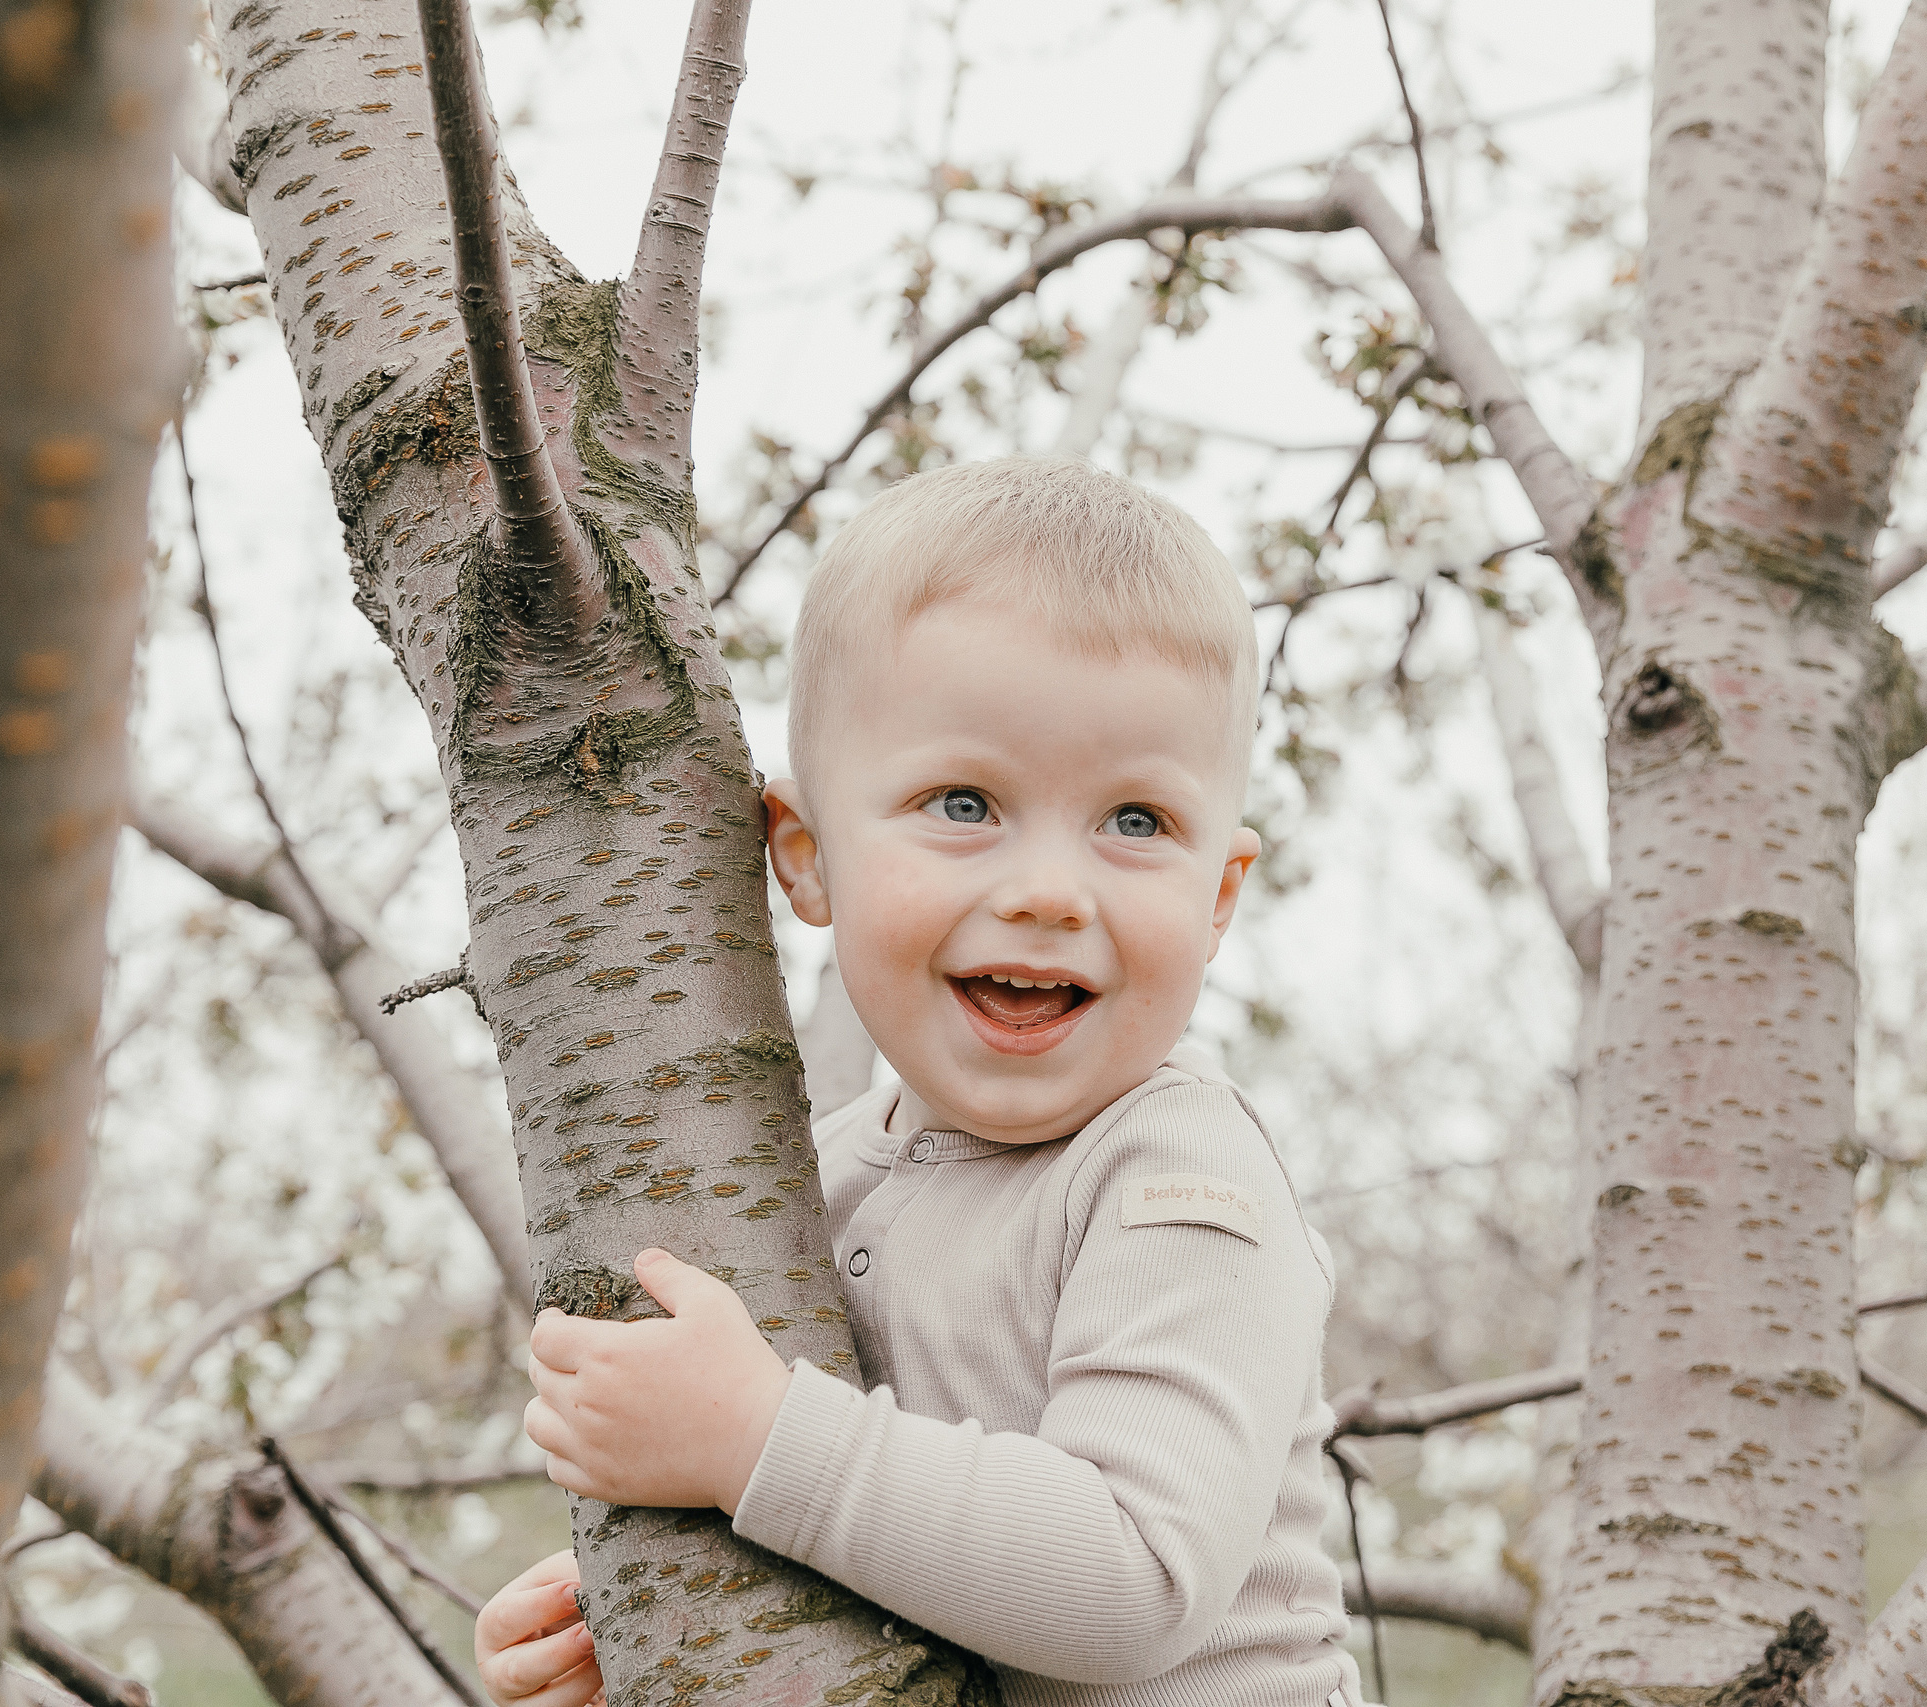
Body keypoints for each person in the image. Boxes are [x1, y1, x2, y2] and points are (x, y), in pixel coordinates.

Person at [474, 457, 1359, 1707]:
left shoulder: (1179, 1178)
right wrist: (637, 1626)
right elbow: (875, 1535)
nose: (1051, 889)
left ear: (1218, 896)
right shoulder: (810, 1185)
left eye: (1137, 822)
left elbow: (1132, 1580)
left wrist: (750, 1439)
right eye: (964, 803)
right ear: (806, 855)